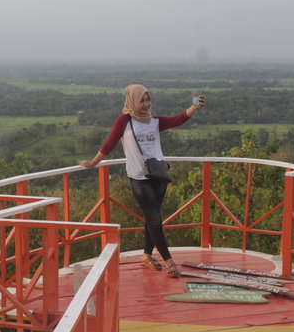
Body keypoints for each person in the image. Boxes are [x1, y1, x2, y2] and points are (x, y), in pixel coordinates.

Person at [79, 84, 205, 278]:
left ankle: (147, 256)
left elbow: (177, 119)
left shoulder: (154, 121)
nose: (146, 104)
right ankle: (168, 260)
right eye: (141, 100)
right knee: (155, 219)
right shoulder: (124, 121)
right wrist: (93, 163)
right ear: (132, 102)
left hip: (159, 175)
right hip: (139, 178)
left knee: (151, 219)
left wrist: (194, 107)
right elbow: (110, 143)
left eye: (148, 100)